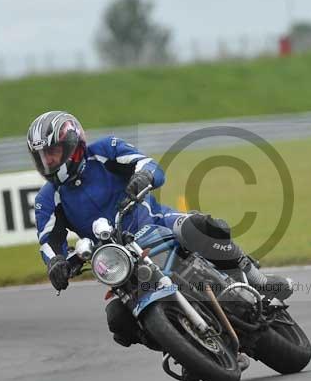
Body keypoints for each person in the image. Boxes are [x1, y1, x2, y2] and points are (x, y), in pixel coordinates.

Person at [27, 110, 294, 348]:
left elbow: (147, 164)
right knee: (118, 320)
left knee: (202, 226)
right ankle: (183, 347)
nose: (48, 161)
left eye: (52, 152)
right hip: (117, 261)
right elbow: (49, 241)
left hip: (155, 223)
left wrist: (142, 177)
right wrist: (56, 264)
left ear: (73, 145)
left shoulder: (104, 150)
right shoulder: (47, 199)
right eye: (42, 157)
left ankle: (258, 280)